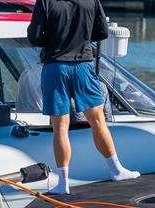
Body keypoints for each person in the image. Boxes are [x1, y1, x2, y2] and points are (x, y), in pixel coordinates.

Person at [27, 0, 139, 195]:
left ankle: (63, 184)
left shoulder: (45, 1)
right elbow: (103, 32)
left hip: (55, 67)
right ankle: (117, 170)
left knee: (60, 126)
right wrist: (82, 38)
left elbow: (35, 37)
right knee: (98, 121)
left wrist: (55, 39)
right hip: (83, 66)